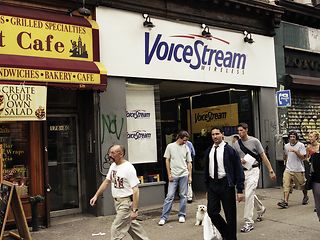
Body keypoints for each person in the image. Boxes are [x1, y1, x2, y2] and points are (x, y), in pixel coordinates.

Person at [90, 145, 149, 240]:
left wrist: (135, 210)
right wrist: (96, 195)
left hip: (126, 203)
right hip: (117, 202)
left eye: (113, 153)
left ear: (121, 154)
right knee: (132, 227)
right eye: (109, 152)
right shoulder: (113, 166)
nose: (110, 155)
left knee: (116, 229)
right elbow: (107, 181)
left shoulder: (128, 168)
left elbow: (136, 190)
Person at [233, 122, 276, 233]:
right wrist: (239, 161)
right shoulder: (236, 144)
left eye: (241, 130)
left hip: (254, 170)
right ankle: (261, 208)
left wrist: (270, 170)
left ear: (247, 130)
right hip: (243, 172)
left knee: (248, 193)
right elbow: (234, 159)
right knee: (249, 193)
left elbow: (263, 156)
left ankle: (248, 222)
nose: (240, 132)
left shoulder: (255, 141)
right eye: (238, 131)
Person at [204, 127, 245, 240]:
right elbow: (206, 171)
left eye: (217, 134)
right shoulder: (209, 151)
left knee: (230, 215)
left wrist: (240, 190)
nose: (215, 136)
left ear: (222, 135)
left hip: (226, 184)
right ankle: (227, 233)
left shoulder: (229, 150)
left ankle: (231, 238)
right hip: (213, 185)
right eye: (213, 134)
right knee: (212, 212)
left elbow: (238, 170)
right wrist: (207, 188)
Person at [158, 130, 192, 225]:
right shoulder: (170, 146)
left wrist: (190, 176)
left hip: (184, 174)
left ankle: (182, 215)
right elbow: (167, 160)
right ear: (179, 138)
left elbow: (189, 162)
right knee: (169, 196)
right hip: (174, 174)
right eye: (184, 140)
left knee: (183, 196)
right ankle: (164, 217)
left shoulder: (186, 147)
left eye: (186, 140)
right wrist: (169, 174)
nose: (185, 142)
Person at [277, 130, 308, 209]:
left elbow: (303, 157)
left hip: (298, 169)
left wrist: (295, 151)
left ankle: (305, 196)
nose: (292, 138)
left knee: (302, 185)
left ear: (296, 138)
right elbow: (286, 156)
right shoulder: (286, 146)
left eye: (294, 137)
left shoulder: (300, 145)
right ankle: (285, 202)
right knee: (286, 185)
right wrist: (284, 158)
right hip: (288, 169)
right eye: (290, 137)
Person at [308, 133, 320, 222]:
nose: (309, 138)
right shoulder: (308, 147)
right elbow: (306, 158)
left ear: (316, 137)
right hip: (315, 177)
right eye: (309, 136)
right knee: (318, 203)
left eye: (311, 136)